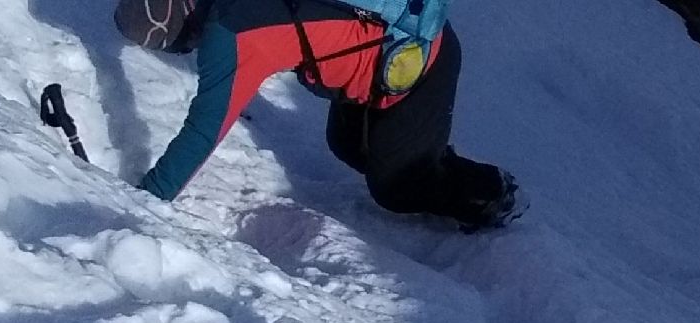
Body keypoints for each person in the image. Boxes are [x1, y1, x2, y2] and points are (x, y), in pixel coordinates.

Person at [115, 0, 521, 232]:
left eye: (172, 44)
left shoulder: (230, 35)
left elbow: (203, 131)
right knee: (347, 144)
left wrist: (145, 200)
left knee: (396, 189)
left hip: (422, 64)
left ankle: (494, 194)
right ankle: (425, 157)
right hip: (383, 64)